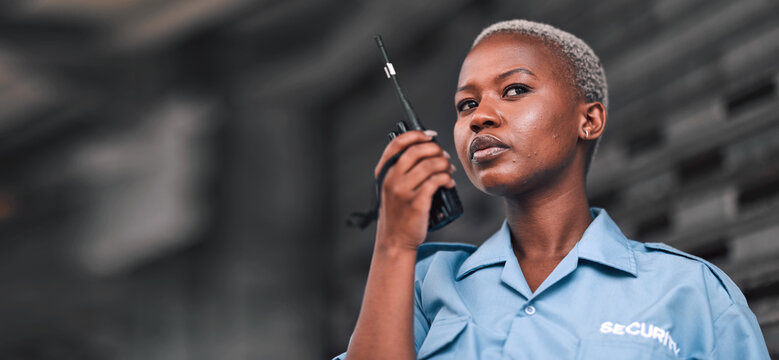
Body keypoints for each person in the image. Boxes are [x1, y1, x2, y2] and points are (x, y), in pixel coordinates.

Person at [335, 19, 769, 359]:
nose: (479, 117)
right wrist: (393, 243)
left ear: (590, 120)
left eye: (515, 90)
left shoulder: (692, 291)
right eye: (466, 104)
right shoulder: (422, 286)